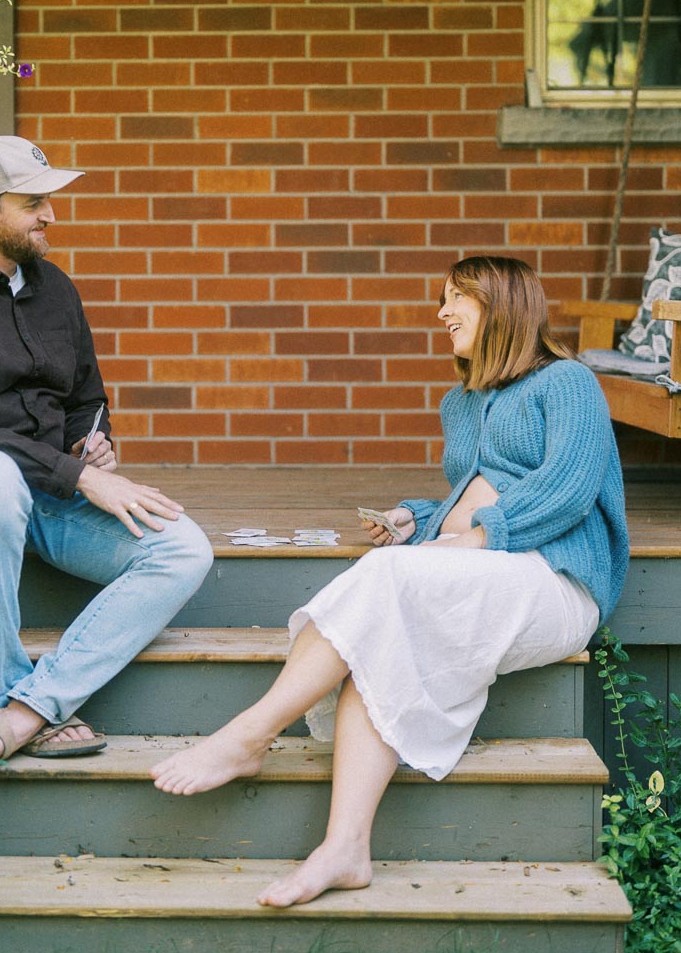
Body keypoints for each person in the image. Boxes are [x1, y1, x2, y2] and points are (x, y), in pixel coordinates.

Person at [151, 255, 629, 908]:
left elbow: (563, 491)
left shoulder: (567, 381)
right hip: (484, 572)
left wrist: (473, 537)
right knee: (377, 636)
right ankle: (345, 848)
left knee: (380, 585)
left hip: (557, 580)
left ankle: (249, 735)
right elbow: (472, 493)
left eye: (456, 298)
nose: (441, 313)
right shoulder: (461, 402)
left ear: (504, 306)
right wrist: (418, 518)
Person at [0, 134, 213, 788]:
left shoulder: (55, 287)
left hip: (42, 492)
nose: (50, 215)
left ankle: (25, 711)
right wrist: (77, 476)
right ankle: (4, 680)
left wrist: (96, 442)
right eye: (32, 203)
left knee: (183, 548)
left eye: (49, 201)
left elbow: (87, 393)